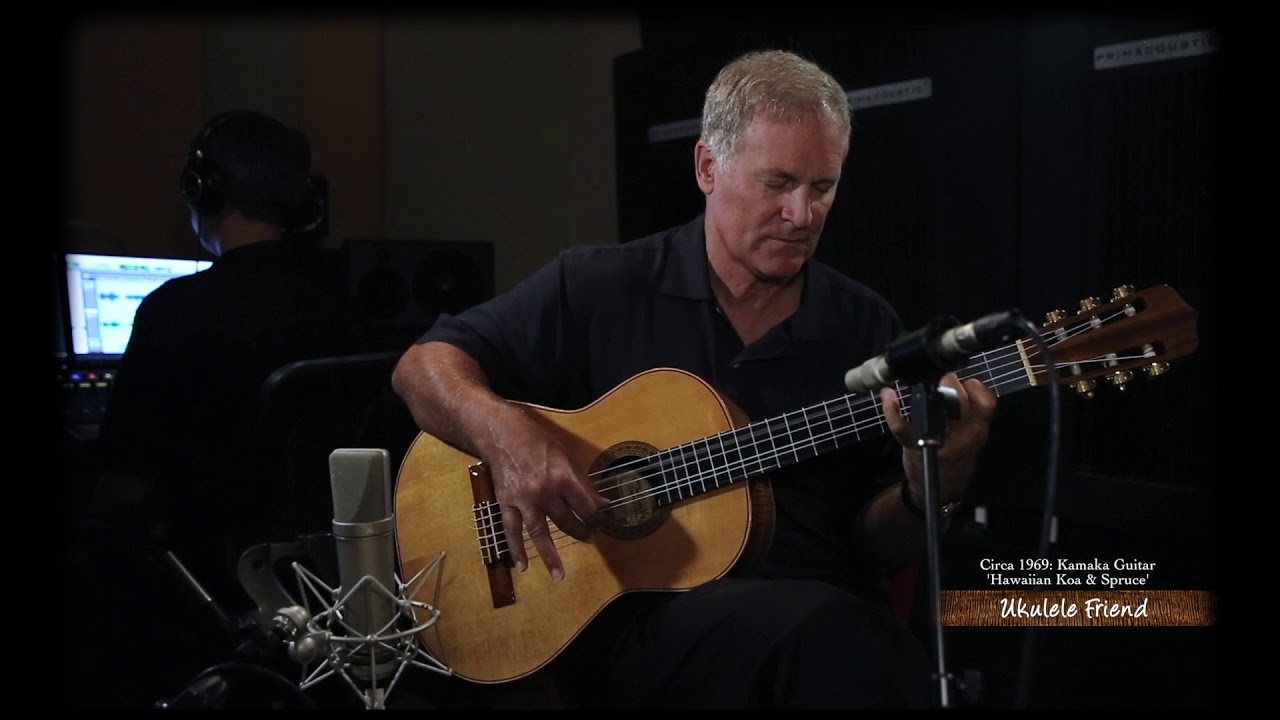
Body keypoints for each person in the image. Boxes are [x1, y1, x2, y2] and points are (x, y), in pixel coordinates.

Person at [391, 50, 997, 709]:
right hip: (636, 625)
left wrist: (932, 475)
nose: (803, 213)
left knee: (841, 631)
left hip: (823, 625)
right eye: (779, 183)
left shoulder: (864, 323)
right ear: (709, 167)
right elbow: (423, 367)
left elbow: (882, 546)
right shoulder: (601, 285)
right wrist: (508, 438)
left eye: (822, 187)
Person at [92, 109, 375, 615]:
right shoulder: (345, 302)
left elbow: (124, 487)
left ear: (203, 188)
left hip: (212, 575)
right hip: (322, 575)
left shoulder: (174, 310)